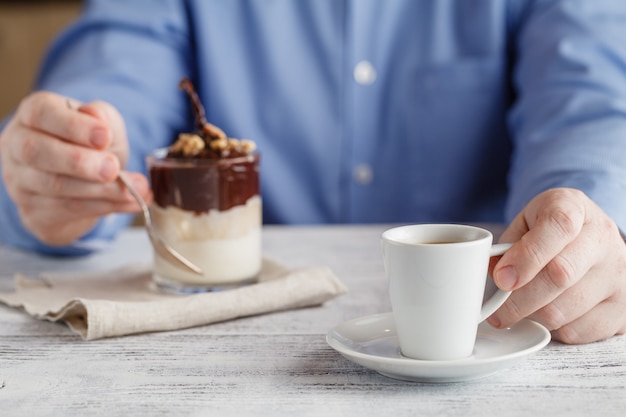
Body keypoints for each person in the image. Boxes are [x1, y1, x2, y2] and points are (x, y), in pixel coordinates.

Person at [1, 0, 625, 344]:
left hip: (492, 323)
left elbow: (592, 96)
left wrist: (588, 219)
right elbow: (117, 67)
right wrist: (66, 156)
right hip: (234, 336)